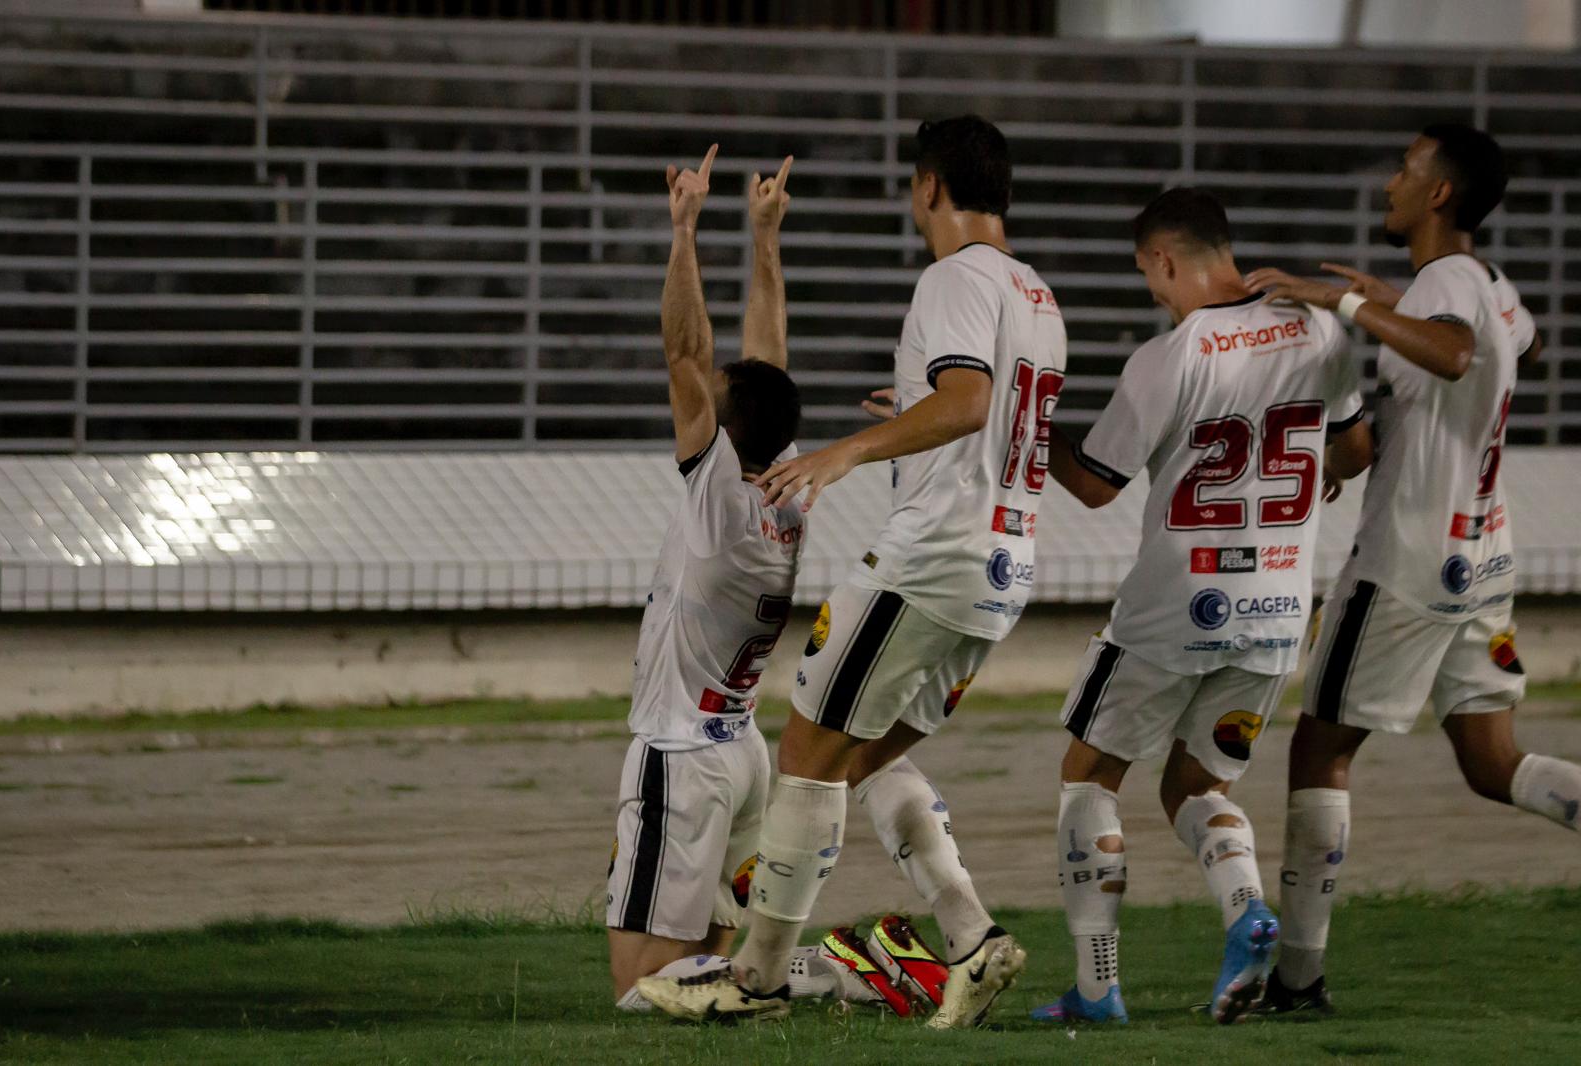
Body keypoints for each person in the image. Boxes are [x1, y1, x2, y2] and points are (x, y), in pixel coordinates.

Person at [637, 115, 1066, 1028]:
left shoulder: (952, 276)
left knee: (805, 752)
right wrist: (909, 411)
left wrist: (851, 452)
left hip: (931, 559)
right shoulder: (1037, 293)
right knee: (856, 758)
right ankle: (970, 935)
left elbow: (967, 401)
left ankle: (753, 979)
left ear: (929, 189)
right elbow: (984, 413)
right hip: (1004, 566)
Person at [1245, 123, 1580, 1015]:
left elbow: (1459, 353)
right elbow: (1520, 347)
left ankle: (1297, 981)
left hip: (1409, 557)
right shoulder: (1487, 285)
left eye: (1403, 169)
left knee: (1320, 747)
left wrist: (1351, 305)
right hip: (1484, 548)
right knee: (1489, 758)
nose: (1389, 182)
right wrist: (1403, 308)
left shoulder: (1447, 284)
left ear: (1438, 195)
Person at [1036, 187, 1371, 1027]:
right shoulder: (1319, 329)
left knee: (1089, 778)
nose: (1156, 292)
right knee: (1199, 780)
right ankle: (1248, 913)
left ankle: (1097, 986)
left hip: (1173, 604)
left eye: (1150, 275)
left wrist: (1024, 427)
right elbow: (1358, 446)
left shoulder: (1171, 354)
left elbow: (1093, 484)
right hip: (1279, 602)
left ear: (1164, 259)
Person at [605, 145, 808, 1007]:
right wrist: (764, 241)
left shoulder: (721, 496)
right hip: (739, 754)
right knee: (717, 963)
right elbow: (766, 368)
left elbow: (687, 353)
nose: (705, 392)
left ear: (725, 431)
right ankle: (781, 978)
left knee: (638, 984)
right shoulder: (788, 487)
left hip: (681, 754)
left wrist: (685, 230)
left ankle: (831, 974)